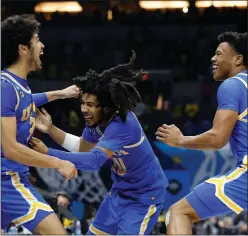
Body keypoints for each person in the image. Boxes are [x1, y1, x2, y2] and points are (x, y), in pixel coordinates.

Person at [30, 51, 168, 235]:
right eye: (83, 103)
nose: (84, 109)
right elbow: (82, 149)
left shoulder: (123, 124)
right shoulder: (95, 124)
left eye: (90, 105)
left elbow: (94, 161)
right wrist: (50, 129)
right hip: (119, 192)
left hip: (144, 197)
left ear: (106, 107)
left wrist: (49, 153)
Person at [155, 31, 247, 234]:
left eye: (219, 53)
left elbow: (217, 138)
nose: (213, 58)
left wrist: (180, 140)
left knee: (178, 212)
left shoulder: (233, 85)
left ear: (238, 59)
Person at [1, 14, 79, 234]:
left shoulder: (17, 87)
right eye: (36, 40)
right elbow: (11, 149)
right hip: (8, 181)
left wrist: (60, 94)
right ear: (23, 49)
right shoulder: (5, 87)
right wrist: (57, 162)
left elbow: (27, 100)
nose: (42, 45)